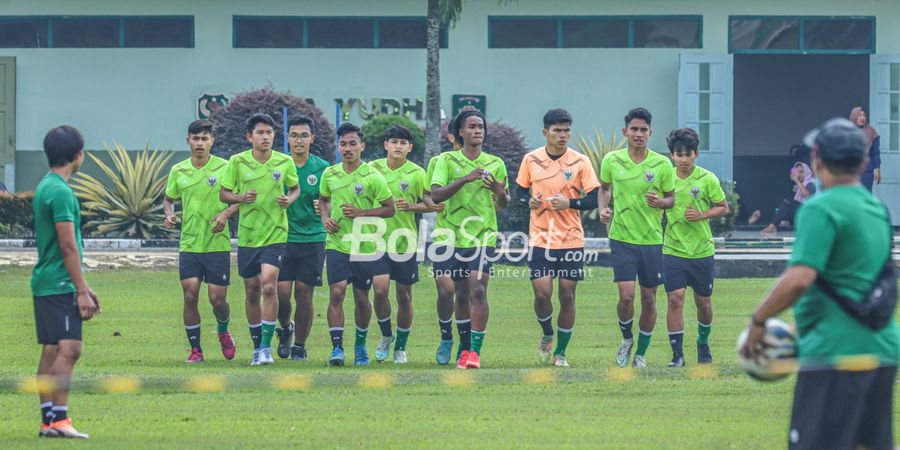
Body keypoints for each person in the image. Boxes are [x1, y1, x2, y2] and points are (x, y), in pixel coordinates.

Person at [741, 118, 899, 450]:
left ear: (817, 158)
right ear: (864, 161)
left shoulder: (819, 207)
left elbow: (800, 279)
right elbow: (854, 280)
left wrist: (758, 321)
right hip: (881, 351)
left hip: (835, 354)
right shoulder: (876, 209)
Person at [516, 109, 600, 367]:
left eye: (566, 131)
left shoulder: (580, 161)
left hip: (571, 240)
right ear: (546, 132)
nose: (563, 135)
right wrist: (527, 200)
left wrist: (570, 203)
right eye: (557, 131)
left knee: (567, 295)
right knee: (542, 294)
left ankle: (560, 352)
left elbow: (593, 198)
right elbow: (519, 192)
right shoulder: (531, 160)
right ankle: (547, 333)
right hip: (541, 239)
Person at [32, 125, 101, 439]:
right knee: (70, 349)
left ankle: (49, 421)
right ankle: (59, 420)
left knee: (52, 349)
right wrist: (81, 290)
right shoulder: (61, 192)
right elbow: (67, 246)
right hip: (59, 283)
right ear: (78, 156)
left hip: (47, 281)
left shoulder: (46, 185)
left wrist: (83, 285)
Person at [431, 109, 510, 369]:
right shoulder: (446, 160)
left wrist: (500, 192)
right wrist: (465, 179)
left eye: (481, 127)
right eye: (472, 127)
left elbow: (503, 202)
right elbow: (437, 196)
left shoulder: (495, 163)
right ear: (460, 133)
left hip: (482, 235)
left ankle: (472, 352)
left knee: (476, 289)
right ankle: (450, 339)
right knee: (450, 292)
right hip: (449, 235)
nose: (478, 131)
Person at [220, 113, 300, 366]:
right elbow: (224, 194)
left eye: (269, 133)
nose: (265, 137)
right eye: (260, 133)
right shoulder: (237, 162)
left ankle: (266, 348)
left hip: (275, 234)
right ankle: (257, 346)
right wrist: (242, 198)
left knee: (268, 286)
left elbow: (295, 188)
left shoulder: (284, 162)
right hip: (248, 236)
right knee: (252, 291)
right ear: (249, 136)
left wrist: (290, 199)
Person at [599, 107, 675, 369]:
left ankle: (641, 354)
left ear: (650, 133)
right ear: (625, 132)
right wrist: (602, 209)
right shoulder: (611, 160)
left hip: (652, 240)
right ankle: (626, 338)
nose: (639, 134)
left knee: (649, 299)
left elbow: (671, 199)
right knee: (627, 297)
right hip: (622, 238)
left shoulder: (663, 164)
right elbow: (604, 190)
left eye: (643, 130)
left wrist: (661, 201)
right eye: (634, 129)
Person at [318, 122, 395, 366]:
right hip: (338, 244)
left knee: (362, 297)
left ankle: (360, 345)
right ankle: (337, 349)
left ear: (362, 146)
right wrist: (325, 219)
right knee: (337, 292)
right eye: (343, 144)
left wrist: (361, 213)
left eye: (353, 144)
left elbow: (390, 209)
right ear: (338, 147)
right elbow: (323, 200)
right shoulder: (330, 174)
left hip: (365, 245)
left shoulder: (373, 177)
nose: (348, 148)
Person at [163, 120, 239, 363]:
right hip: (189, 244)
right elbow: (168, 199)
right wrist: (169, 214)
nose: (199, 143)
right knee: (190, 296)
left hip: (217, 244)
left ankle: (223, 328)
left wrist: (224, 214)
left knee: (217, 300)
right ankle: (196, 350)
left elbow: (238, 199)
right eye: (195, 139)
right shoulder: (178, 170)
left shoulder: (226, 168)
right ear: (188, 141)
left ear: (212, 141)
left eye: (204, 139)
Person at [662, 128, 728, 367]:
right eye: (679, 154)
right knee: (675, 300)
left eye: (688, 154)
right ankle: (677, 355)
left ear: (696, 154)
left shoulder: (707, 179)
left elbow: (723, 207)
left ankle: (703, 342)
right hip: (673, 250)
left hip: (701, 251)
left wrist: (702, 214)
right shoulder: (665, 179)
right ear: (672, 156)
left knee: (704, 304)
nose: (684, 159)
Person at [369, 125, 429, 363]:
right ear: (386, 145)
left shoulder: (417, 173)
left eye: (403, 143)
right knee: (380, 290)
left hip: (405, 242)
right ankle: (386, 335)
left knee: (404, 296)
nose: (398, 146)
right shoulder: (371, 170)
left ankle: (401, 348)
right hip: (375, 241)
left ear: (410, 148)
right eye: (394, 142)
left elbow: (432, 204)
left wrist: (412, 207)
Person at [274, 115, 330, 361]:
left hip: (313, 238)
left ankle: (299, 346)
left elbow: (334, 199)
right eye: (294, 135)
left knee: (304, 294)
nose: (299, 140)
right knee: (281, 293)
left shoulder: (323, 168)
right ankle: (286, 328)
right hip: (281, 237)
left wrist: (325, 205)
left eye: (304, 135)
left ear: (312, 139)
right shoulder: (277, 165)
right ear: (287, 138)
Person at [423, 121, 457, 365]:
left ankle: (468, 347)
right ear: (454, 136)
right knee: (445, 289)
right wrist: (431, 204)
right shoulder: (439, 162)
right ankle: (446, 336)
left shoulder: (485, 163)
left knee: (468, 293)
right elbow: (427, 193)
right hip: (444, 236)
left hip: (473, 237)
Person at [750, 162, 816, 236]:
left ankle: (772, 227)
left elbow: (807, 197)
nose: (799, 175)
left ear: (807, 172)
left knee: (787, 202)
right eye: (798, 172)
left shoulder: (811, 183)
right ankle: (759, 216)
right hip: (799, 214)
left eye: (801, 172)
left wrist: (797, 181)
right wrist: (794, 181)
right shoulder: (797, 184)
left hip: (808, 215)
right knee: (780, 212)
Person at [850, 106, 881, 192]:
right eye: (859, 116)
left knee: (866, 195)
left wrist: (877, 169)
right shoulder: (847, 132)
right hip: (851, 171)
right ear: (854, 117)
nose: (862, 118)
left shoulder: (871, 132)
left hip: (867, 172)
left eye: (864, 115)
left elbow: (875, 153)